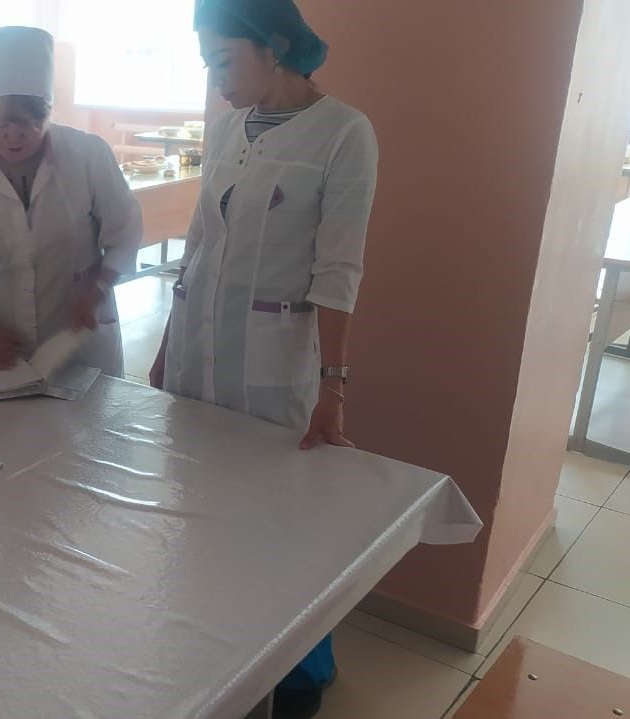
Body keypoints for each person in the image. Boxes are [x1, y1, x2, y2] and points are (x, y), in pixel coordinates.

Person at [150, 1, 379, 717]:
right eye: (207, 64)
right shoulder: (228, 127)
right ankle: (213, 647)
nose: (216, 80)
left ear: (275, 47)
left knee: (283, 523)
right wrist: (166, 346)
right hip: (197, 350)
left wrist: (333, 388)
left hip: (275, 361)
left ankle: (302, 670)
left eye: (223, 60)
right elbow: (197, 245)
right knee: (201, 500)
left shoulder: (344, 132)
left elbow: (338, 270)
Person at [0, 26, 143, 377]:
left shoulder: (88, 155)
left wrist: (97, 288)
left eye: (28, 125)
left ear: (48, 113)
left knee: (89, 411)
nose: (13, 138)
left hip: (78, 338)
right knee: (3, 412)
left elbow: (126, 235)